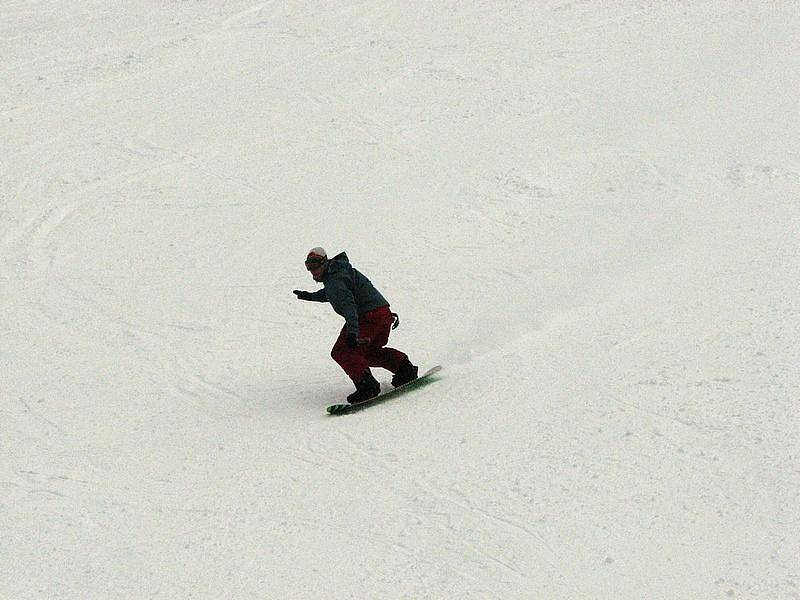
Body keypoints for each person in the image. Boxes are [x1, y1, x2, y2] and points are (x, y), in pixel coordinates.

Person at [293, 247, 418, 404]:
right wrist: (310, 296)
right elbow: (334, 293)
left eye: (315, 265)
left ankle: (367, 387)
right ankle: (404, 369)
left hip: (368, 318)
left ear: (325, 262)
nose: (312, 271)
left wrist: (352, 333)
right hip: (383, 316)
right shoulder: (338, 273)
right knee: (367, 353)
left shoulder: (335, 279)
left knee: (342, 352)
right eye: (309, 267)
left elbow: (349, 306)